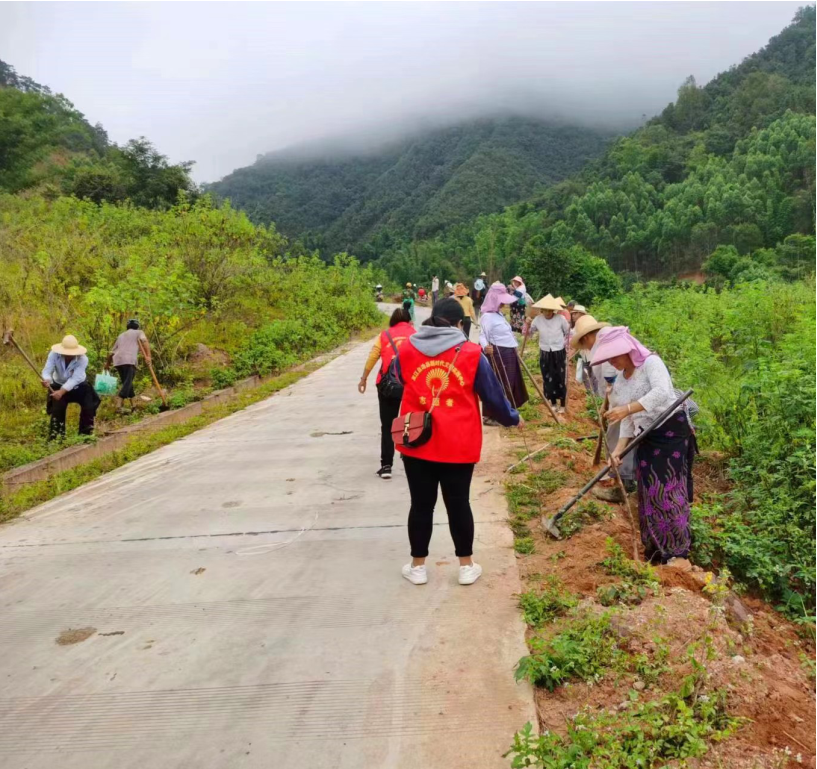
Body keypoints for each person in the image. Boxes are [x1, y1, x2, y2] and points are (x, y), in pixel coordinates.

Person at [394, 298, 522, 586]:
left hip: (417, 440)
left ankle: (417, 567)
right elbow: (492, 396)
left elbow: (398, 379)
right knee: (459, 503)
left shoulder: (407, 349)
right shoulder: (472, 353)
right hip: (458, 443)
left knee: (421, 505)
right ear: (459, 323)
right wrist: (513, 418)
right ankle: (466, 566)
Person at [590, 326, 695, 564]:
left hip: (670, 432)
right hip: (645, 437)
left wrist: (627, 408)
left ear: (628, 349)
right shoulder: (620, 382)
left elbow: (662, 393)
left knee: (667, 489)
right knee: (649, 490)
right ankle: (656, 549)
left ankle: (677, 550)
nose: (612, 362)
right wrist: (618, 451)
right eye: (608, 358)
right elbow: (628, 422)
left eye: (615, 355)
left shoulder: (651, 363)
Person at [570, 315, 636, 501]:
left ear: (586, 337)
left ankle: (623, 485)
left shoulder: (606, 347)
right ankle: (621, 479)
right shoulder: (602, 345)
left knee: (618, 441)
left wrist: (611, 403)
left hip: (624, 402)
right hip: (620, 399)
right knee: (619, 439)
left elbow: (613, 379)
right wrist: (605, 403)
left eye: (584, 343)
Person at [359, 307, 416, 480]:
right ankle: (411, 460)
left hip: (387, 386)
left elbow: (373, 356)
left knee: (388, 425)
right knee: (411, 423)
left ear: (392, 320)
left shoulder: (385, 335)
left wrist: (364, 378)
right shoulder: (415, 334)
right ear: (409, 321)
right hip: (410, 385)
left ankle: (386, 466)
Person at [478, 282, 529, 425]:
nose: (503, 304)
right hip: (498, 353)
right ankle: (491, 416)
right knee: (498, 384)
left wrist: (514, 347)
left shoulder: (499, 315)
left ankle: (507, 413)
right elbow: (482, 335)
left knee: (509, 383)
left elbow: (507, 334)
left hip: (509, 353)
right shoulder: (487, 316)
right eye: (501, 301)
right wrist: (486, 346)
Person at [41, 334, 101, 440]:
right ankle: (57, 437)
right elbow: (47, 370)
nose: (68, 356)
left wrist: (61, 392)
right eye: (66, 353)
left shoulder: (83, 359)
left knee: (88, 407)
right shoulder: (54, 355)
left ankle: (85, 435)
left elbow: (75, 379)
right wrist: (47, 380)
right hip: (58, 383)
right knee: (57, 411)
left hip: (79, 386)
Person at [524, 295, 570, 414]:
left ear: (553, 310)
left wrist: (567, 346)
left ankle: (562, 404)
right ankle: (553, 402)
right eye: (545, 310)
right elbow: (529, 333)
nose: (548, 313)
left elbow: (568, 333)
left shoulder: (560, 319)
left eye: (550, 310)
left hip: (558, 351)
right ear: (542, 310)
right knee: (547, 376)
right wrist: (527, 324)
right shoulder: (538, 319)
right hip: (545, 351)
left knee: (560, 377)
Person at [106, 319, 150, 412]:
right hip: (129, 360)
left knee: (127, 383)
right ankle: (118, 404)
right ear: (137, 327)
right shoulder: (139, 332)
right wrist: (148, 356)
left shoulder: (121, 335)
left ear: (127, 326)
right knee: (128, 382)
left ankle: (134, 406)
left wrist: (107, 364)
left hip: (118, 361)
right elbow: (145, 342)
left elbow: (112, 352)